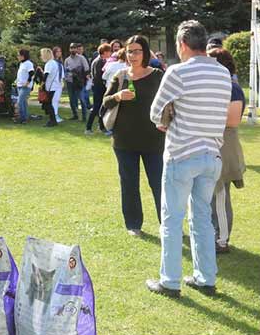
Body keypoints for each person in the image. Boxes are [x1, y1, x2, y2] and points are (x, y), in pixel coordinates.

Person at [147, 20, 231, 297]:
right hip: (212, 155)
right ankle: (205, 278)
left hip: (182, 154)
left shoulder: (177, 72)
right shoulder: (222, 73)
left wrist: (168, 117)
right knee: (202, 219)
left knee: (172, 219)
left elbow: (155, 112)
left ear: (182, 45)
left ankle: (169, 281)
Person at [102, 36, 165, 236]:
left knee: (160, 184)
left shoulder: (157, 75)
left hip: (154, 140)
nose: (133, 55)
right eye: (129, 51)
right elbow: (105, 102)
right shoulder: (120, 76)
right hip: (124, 141)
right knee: (129, 184)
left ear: (145, 53)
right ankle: (133, 225)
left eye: (137, 51)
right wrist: (117, 96)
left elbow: (170, 102)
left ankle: (168, 224)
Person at [208, 48, 246, 254]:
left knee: (220, 196)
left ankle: (221, 240)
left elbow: (232, 120)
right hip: (211, 144)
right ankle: (212, 235)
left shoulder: (232, 88)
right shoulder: (216, 86)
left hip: (224, 146)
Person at [86, 43, 112, 135]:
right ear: (104, 52)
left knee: (102, 107)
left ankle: (101, 126)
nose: (111, 53)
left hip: (100, 88)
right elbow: (98, 77)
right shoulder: (99, 62)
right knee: (96, 108)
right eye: (109, 51)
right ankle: (88, 128)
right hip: (98, 88)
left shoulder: (102, 60)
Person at [64, 43, 90, 121]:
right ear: (69, 49)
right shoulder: (67, 60)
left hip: (79, 82)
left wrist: (81, 77)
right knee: (72, 99)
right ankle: (75, 115)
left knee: (82, 99)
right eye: (71, 48)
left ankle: (84, 116)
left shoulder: (81, 58)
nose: (73, 50)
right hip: (70, 82)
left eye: (74, 48)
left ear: (77, 49)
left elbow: (86, 69)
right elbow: (65, 71)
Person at [40, 48, 64, 127]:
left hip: (51, 87)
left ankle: (52, 121)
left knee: (48, 104)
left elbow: (46, 75)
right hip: (55, 86)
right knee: (49, 104)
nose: (41, 57)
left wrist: (42, 84)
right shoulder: (54, 63)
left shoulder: (49, 63)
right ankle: (53, 120)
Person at [14, 49, 34, 124]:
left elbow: (31, 73)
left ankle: (21, 118)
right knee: (24, 102)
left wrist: (27, 82)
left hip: (25, 86)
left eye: (18, 55)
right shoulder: (21, 64)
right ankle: (25, 118)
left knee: (19, 102)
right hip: (19, 85)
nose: (17, 57)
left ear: (23, 56)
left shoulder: (28, 63)